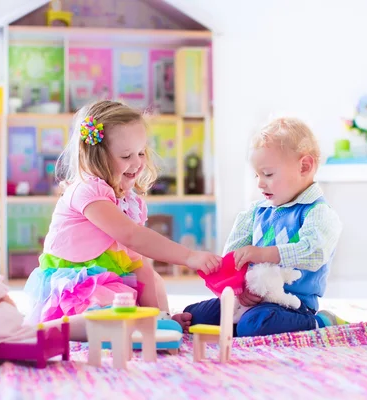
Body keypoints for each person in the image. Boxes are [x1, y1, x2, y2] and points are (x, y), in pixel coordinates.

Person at [24, 100, 221, 340]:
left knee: (151, 280)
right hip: (77, 285)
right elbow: (133, 237)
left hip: (111, 281)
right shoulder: (87, 191)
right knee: (113, 317)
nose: (137, 163)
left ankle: (154, 323)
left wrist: (161, 317)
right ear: (96, 156)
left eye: (141, 152)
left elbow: (139, 265)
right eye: (126, 155)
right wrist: (189, 257)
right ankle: (40, 332)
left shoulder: (129, 201)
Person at [176, 117, 347, 336]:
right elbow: (233, 255)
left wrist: (264, 254)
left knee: (256, 324)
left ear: (304, 166)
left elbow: (314, 252)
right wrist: (240, 288)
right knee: (194, 315)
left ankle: (320, 322)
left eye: (268, 174)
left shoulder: (318, 212)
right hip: (248, 300)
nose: (259, 183)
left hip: (292, 305)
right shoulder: (255, 212)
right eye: (257, 175)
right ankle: (238, 324)